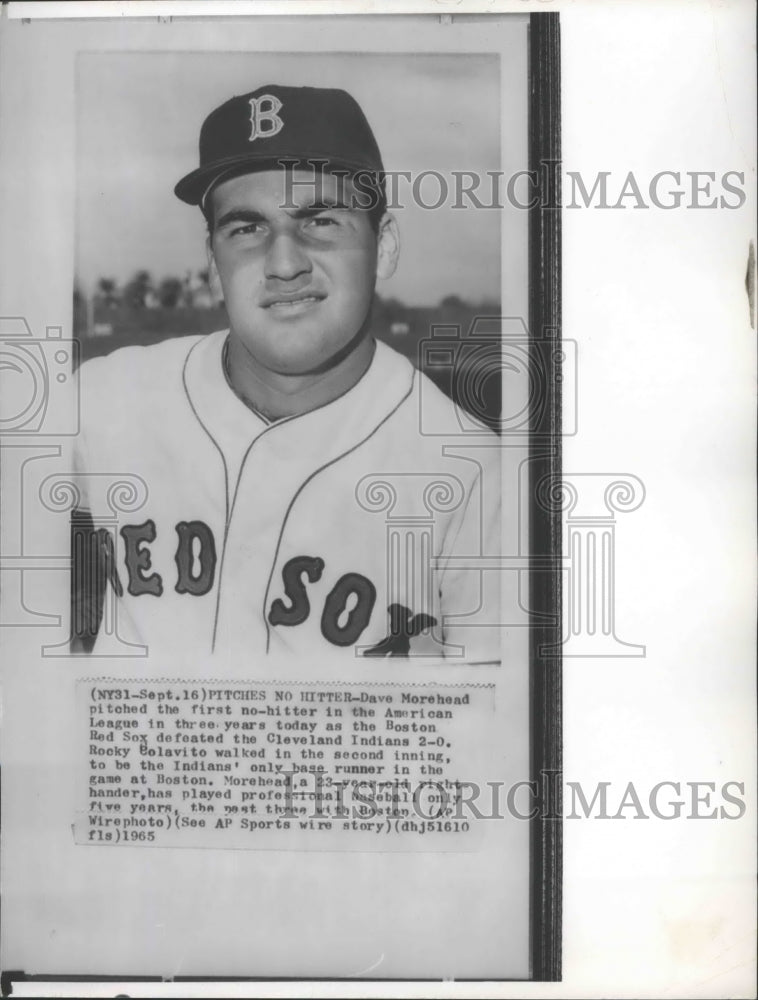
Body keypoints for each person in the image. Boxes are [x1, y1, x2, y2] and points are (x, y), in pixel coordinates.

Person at [72, 84, 501, 661]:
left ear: (386, 245)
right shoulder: (103, 401)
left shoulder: (476, 474)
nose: (283, 263)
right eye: (246, 229)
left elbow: (491, 737)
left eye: (320, 221)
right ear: (212, 260)